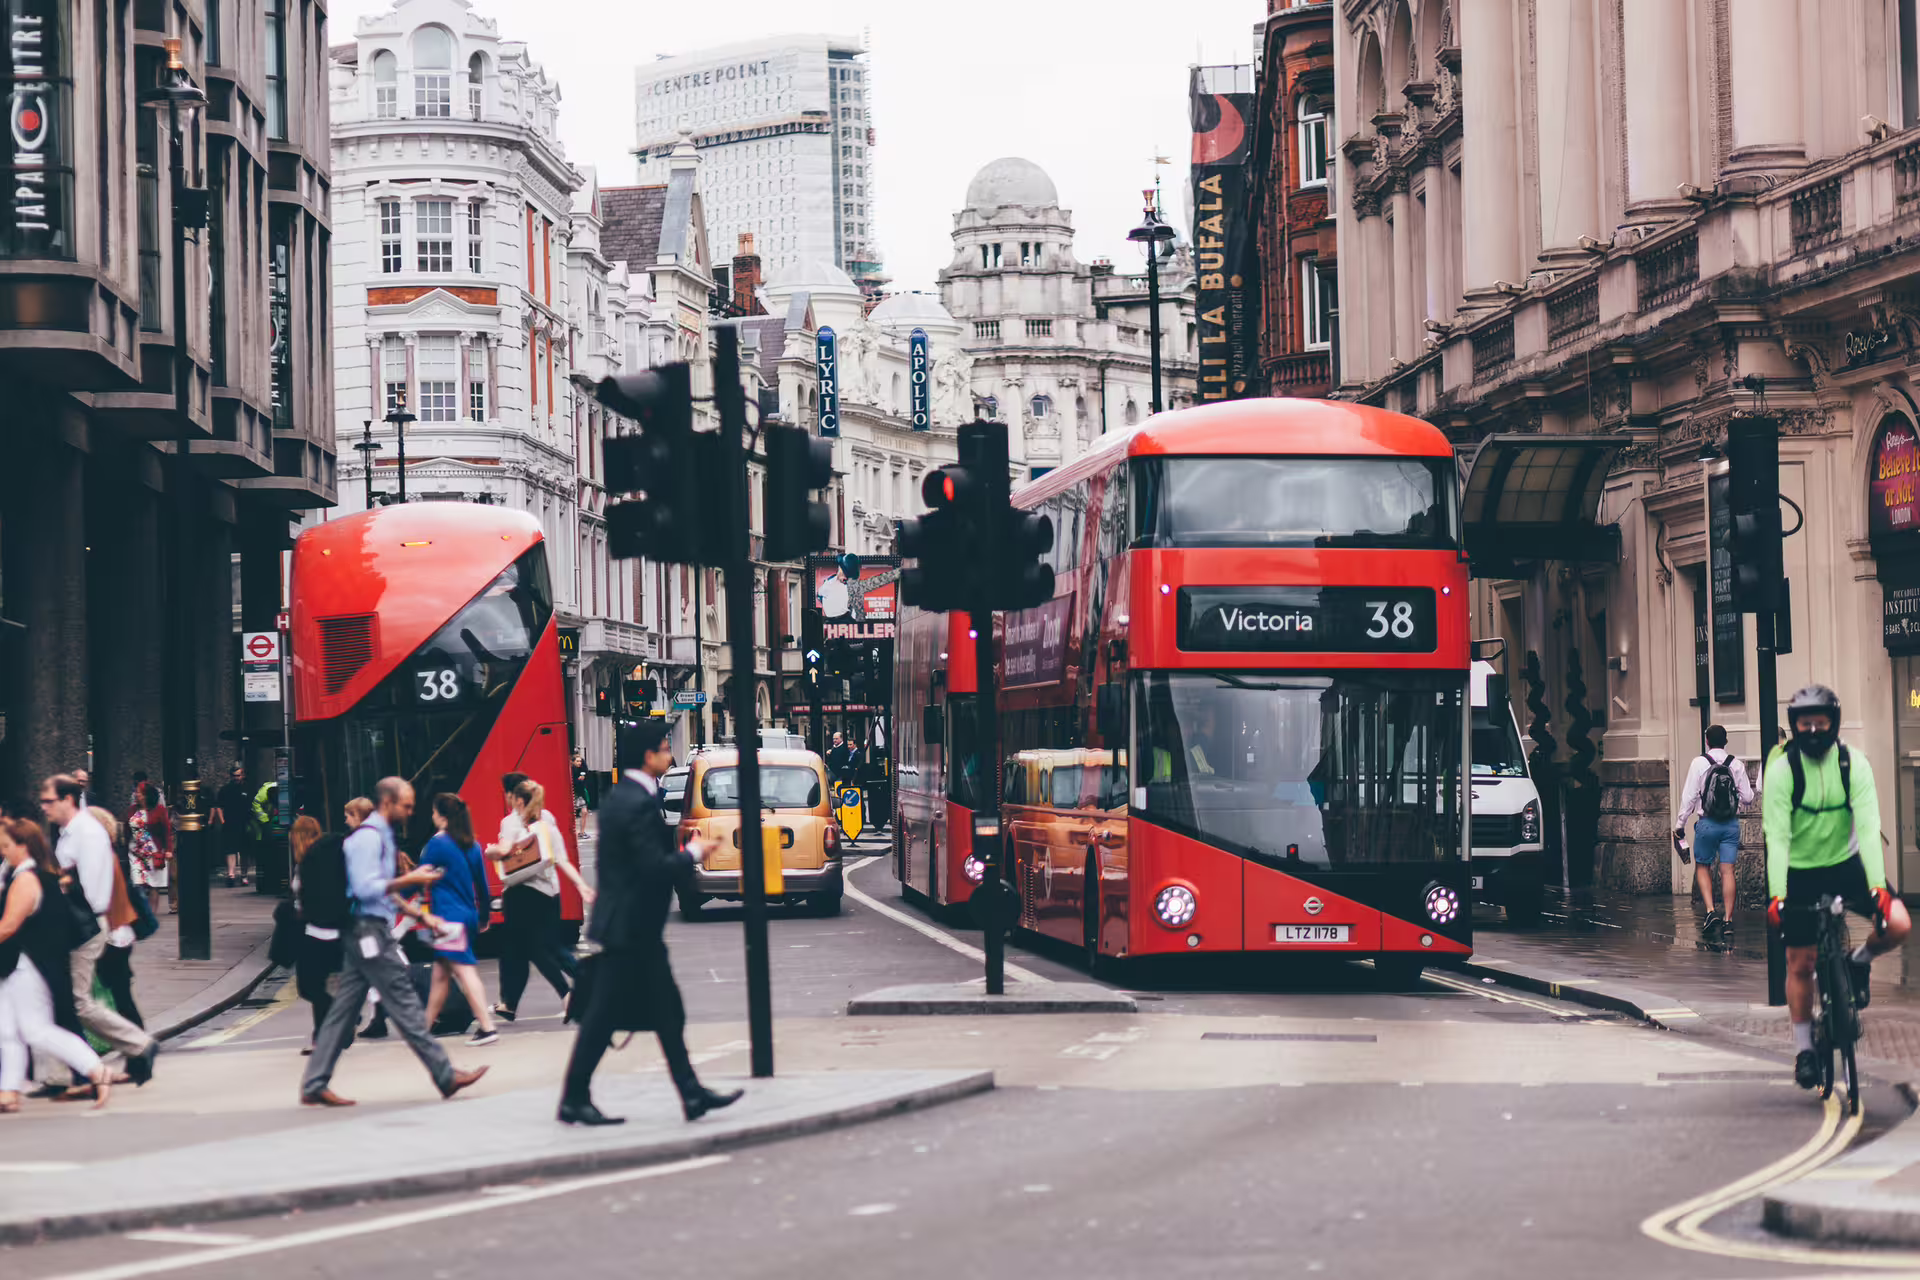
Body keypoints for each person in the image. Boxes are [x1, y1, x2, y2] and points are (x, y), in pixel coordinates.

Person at [560, 720, 741, 1126]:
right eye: (664, 748)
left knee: (666, 1013)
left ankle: (692, 1095)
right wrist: (693, 853)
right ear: (648, 756)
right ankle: (574, 1097)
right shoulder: (634, 802)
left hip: (633, 929)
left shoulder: (626, 797)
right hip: (629, 931)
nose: (670, 756)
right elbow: (651, 868)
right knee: (603, 1016)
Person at [299, 778, 489, 1107]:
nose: (411, 811)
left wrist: (419, 914)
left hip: (370, 929)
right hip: (367, 932)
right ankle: (445, 1075)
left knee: (343, 1010)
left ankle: (315, 1082)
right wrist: (412, 879)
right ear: (387, 802)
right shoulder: (367, 840)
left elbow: (383, 890)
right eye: (407, 805)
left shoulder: (382, 836)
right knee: (404, 1001)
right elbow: (365, 888)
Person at [1765, 685, 1915, 1090]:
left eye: (1821, 722)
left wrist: (1878, 888)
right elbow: (1776, 837)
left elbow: (1867, 828)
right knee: (1800, 962)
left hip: (1848, 865)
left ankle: (1859, 960)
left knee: (1898, 923)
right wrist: (1777, 893)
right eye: (1804, 723)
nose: (1813, 730)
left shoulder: (1854, 764)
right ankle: (1804, 1051)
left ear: (1834, 722)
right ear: (1794, 726)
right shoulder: (1781, 770)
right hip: (1799, 871)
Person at [41, 775, 156, 1086]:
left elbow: (94, 892)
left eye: (48, 800)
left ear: (67, 799)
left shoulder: (87, 833)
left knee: (77, 1001)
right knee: (61, 999)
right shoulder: (70, 833)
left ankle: (138, 1044)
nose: (44, 807)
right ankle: (64, 1074)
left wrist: (68, 909)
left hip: (83, 926)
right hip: (78, 924)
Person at [0, 819, 113, 1113]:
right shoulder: (35, 875)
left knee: (35, 1030)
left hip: (26, 965)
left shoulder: (26, 878)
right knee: (7, 1031)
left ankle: (96, 1070)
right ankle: (8, 1092)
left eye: (7, 846)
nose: (3, 851)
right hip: (19, 965)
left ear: (23, 846)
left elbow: (8, 926)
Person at [487, 777, 593, 1023]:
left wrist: (489, 851)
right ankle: (511, 1003)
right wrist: (580, 885)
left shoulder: (512, 823)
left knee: (532, 950)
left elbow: (503, 853)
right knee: (536, 949)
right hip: (548, 892)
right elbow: (561, 859)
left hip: (522, 894)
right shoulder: (549, 822)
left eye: (508, 795)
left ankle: (570, 994)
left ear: (517, 799)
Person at [419, 794, 499, 1047]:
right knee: (441, 977)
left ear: (441, 816)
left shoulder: (437, 845)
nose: (431, 816)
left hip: (447, 918)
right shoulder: (472, 844)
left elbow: (419, 879)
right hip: (468, 916)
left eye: (433, 812)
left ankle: (487, 1027)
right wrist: (484, 917)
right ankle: (422, 1031)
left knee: (464, 972)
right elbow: (483, 887)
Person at [1674, 724, 1756, 933]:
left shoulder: (1699, 763)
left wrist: (1680, 824)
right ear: (1726, 741)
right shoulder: (1736, 764)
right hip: (1730, 824)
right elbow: (1748, 798)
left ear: (1707, 741)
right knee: (1728, 871)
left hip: (1707, 823)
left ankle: (1711, 912)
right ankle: (1728, 920)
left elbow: (1689, 797)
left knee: (1703, 866)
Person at [126, 783, 172, 911]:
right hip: (135, 852)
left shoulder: (160, 809)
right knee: (137, 883)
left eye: (139, 792)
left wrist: (168, 850)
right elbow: (126, 829)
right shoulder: (132, 809)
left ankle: (152, 913)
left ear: (146, 795)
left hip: (153, 851)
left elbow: (166, 830)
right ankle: (141, 912)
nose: (136, 794)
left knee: (154, 885)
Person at [213, 764, 250, 888]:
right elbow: (219, 806)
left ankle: (244, 876)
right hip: (230, 823)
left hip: (245, 823)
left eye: (238, 775)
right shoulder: (225, 789)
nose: (236, 778)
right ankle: (231, 875)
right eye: (234, 776)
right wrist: (223, 820)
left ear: (243, 775)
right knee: (230, 850)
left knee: (245, 851)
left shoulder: (247, 788)